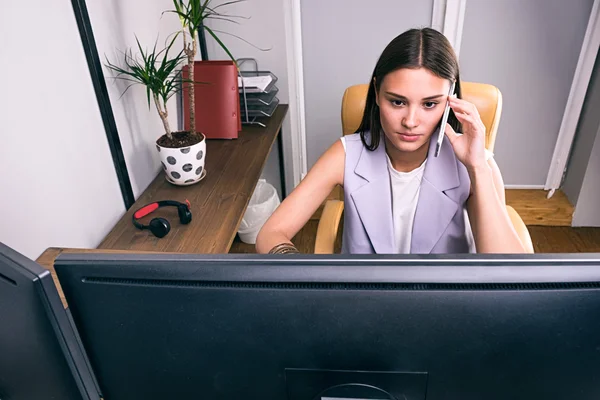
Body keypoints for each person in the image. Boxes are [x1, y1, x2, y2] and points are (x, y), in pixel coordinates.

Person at [256, 27, 527, 255]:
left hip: (443, 303)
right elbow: (271, 232)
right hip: (366, 301)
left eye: (430, 104)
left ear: (450, 99)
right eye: (397, 102)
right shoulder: (346, 154)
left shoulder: (479, 166)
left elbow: (510, 271)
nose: (410, 120)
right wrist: (302, 272)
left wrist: (478, 167)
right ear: (376, 92)